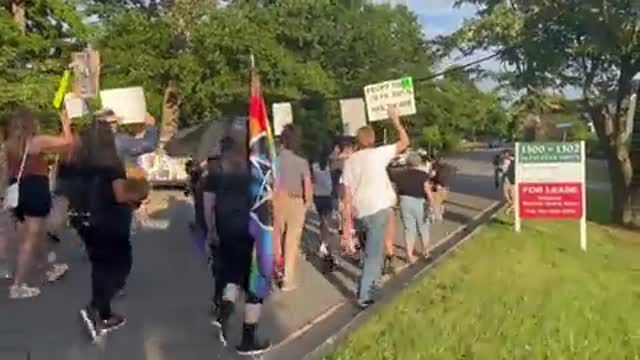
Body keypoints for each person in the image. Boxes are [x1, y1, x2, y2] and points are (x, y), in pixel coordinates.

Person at [73, 118, 150, 343]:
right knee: (120, 267)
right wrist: (139, 195)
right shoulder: (111, 163)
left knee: (100, 268)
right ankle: (95, 308)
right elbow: (120, 195)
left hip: (91, 220)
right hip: (112, 221)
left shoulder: (84, 163)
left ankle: (104, 314)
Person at [206, 136, 271, 355]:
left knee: (233, 273)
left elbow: (209, 207)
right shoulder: (254, 173)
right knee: (256, 283)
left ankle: (224, 310)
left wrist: (212, 230)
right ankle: (248, 339)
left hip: (226, 228)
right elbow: (265, 203)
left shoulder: (216, 176)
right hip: (251, 229)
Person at [341, 108, 409, 308]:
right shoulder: (379, 154)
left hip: (359, 212)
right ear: (372, 139)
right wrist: (395, 121)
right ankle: (364, 296)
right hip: (378, 209)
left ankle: (375, 287)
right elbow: (405, 142)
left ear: (357, 141)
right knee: (373, 255)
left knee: (371, 252)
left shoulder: (350, 162)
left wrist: (347, 225)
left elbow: (347, 196)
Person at [5, 108, 72, 299]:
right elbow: (68, 143)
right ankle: (18, 285)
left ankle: (48, 266)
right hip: (35, 188)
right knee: (31, 238)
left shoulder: (8, 145)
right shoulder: (37, 142)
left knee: (36, 232)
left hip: (17, 192)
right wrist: (66, 124)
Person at [274, 124, 312, 291]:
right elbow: (307, 185)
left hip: (277, 199)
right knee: (292, 240)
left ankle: (277, 267)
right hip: (296, 201)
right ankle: (288, 278)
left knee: (277, 236)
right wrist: (307, 203)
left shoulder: (274, 161)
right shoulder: (301, 162)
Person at [389, 153, 435, 263]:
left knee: (409, 229)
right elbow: (427, 190)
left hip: (404, 202)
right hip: (419, 202)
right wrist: (432, 203)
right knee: (423, 227)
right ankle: (426, 252)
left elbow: (395, 188)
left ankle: (409, 255)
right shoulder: (422, 174)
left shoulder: (399, 174)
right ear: (418, 163)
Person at [312, 150, 337, 270]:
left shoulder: (314, 167)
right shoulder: (329, 168)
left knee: (322, 220)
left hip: (317, 197)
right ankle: (325, 245)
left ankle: (323, 241)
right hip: (327, 196)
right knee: (327, 222)